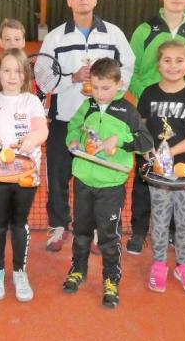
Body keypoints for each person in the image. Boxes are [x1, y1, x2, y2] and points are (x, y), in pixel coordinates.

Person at [41, 0, 134, 253]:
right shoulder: (55, 37)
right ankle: (58, 226)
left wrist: (108, 93)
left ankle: (95, 228)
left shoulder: (114, 34)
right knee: (58, 177)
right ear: (69, 0)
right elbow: (44, 78)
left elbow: (127, 69)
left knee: (97, 176)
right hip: (64, 119)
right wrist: (71, 77)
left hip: (102, 122)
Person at [62, 58, 153, 308]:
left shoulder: (128, 111)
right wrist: (73, 141)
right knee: (80, 232)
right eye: (95, 87)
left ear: (118, 84)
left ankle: (110, 280)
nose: (100, 94)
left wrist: (119, 140)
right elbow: (73, 127)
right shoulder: (87, 106)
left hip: (111, 185)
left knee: (107, 237)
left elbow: (145, 142)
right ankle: (77, 270)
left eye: (106, 88)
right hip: (83, 181)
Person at [126, 0, 185, 255]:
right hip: (150, 110)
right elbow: (130, 69)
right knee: (144, 177)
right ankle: (138, 231)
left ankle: (173, 232)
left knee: (178, 179)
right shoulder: (145, 30)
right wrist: (147, 92)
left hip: (182, 115)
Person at [0, 48, 48, 302]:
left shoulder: (32, 102)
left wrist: (30, 140)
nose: (11, 76)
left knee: (20, 222)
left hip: (26, 175)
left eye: (17, 71)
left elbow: (41, 131)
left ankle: (19, 271)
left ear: (25, 76)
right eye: (6, 70)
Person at [139, 40, 185, 295]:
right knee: (160, 218)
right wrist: (149, 152)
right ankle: (158, 263)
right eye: (167, 60)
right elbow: (142, 131)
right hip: (159, 173)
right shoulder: (148, 94)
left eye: (179, 61)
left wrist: (168, 152)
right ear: (158, 64)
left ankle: (182, 265)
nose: (173, 65)